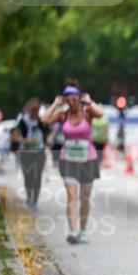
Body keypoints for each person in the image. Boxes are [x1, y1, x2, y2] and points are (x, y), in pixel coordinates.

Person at [41, 85, 104, 243]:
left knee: (85, 198)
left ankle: (83, 231)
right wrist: (56, 104)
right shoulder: (63, 115)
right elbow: (44, 120)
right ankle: (73, 231)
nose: (71, 101)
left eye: (74, 97)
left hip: (88, 159)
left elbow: (101, 113)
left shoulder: (87, 112)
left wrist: (89, 101)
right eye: (68, 98)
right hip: (68, 159)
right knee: (71, 195)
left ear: (79, 98)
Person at [11, 98, 47, 209]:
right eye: (34, 109)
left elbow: (49, 133)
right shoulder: (22, 122)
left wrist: (49, 139)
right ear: (29, 109)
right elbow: (14, 137)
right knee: (28, 177)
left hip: (39, 152)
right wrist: (26, 140)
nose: (35, 112)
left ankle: (34, 200)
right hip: (26, 153)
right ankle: (29, 196)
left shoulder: (41, 121)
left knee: (37, 177)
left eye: (38, 109)